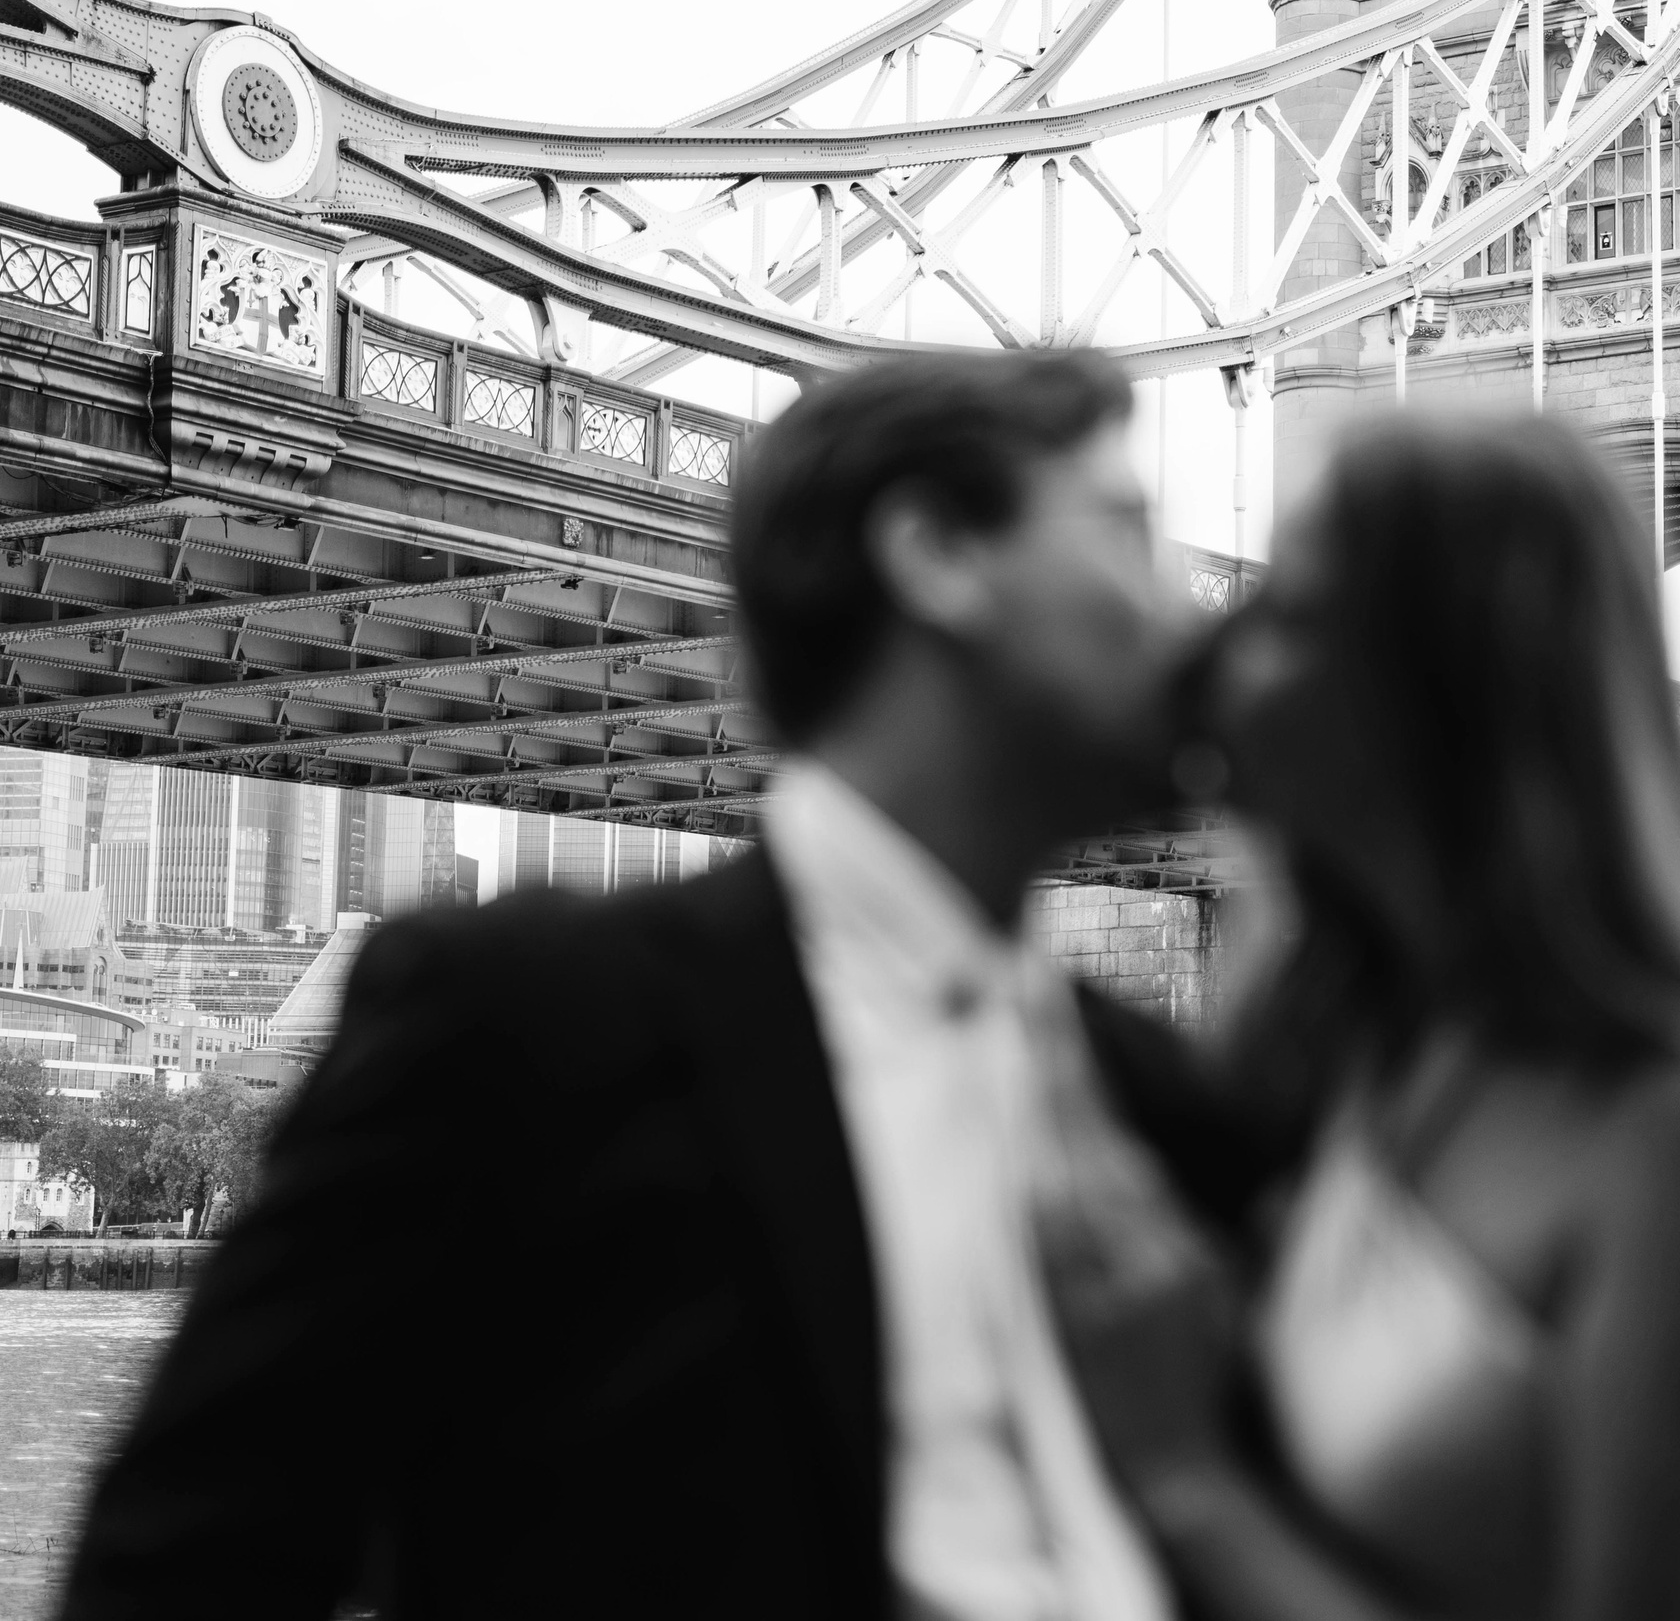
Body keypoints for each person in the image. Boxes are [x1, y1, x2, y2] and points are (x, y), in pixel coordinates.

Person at [61, 350, 1218, 1621]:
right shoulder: (525, 1024)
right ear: (936, 551)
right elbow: (179, 1565)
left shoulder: (1149, 1090)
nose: (1188, 615)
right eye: (1125, 533)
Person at [1048, 411, 1680, 1621]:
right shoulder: (1343, 1042)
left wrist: (1186, 1479)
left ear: (1448, 687)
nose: (1215, 651)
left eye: (1294, 613)